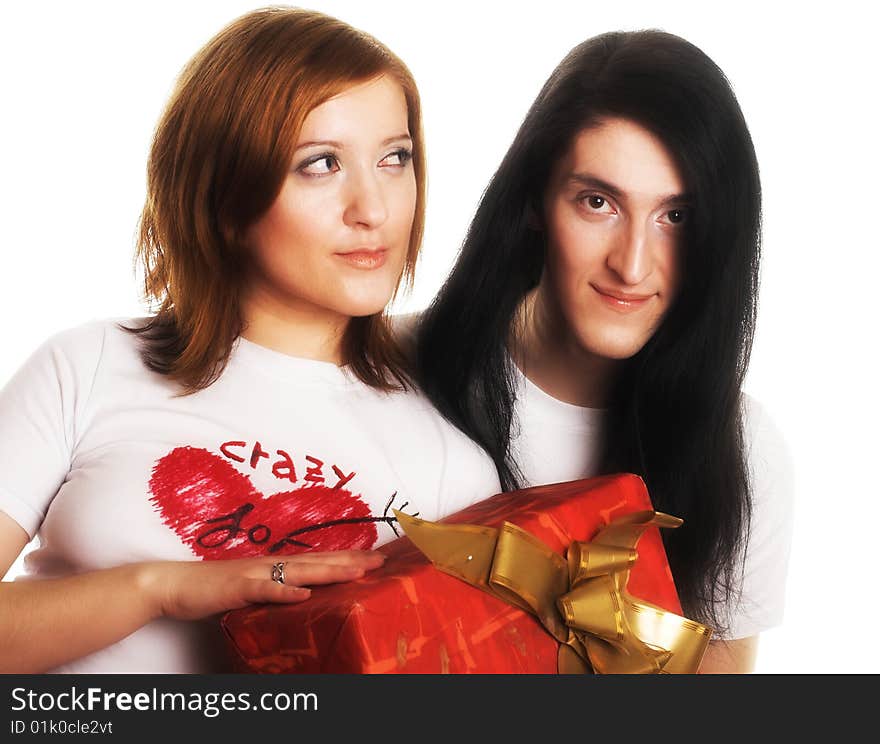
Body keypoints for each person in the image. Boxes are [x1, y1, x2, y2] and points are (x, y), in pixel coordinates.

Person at [0, 7, 499, 674]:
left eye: (394, 158)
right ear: (224, 195)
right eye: (321, 164)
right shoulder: (86, 365)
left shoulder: (451, 469)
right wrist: (160, 588)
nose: (373, 209)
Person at [413, 30, 794, 673]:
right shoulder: (390, 371)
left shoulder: (741, 448)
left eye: (675, 217)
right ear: (535, 201)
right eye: (599, 202)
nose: (633, 265)